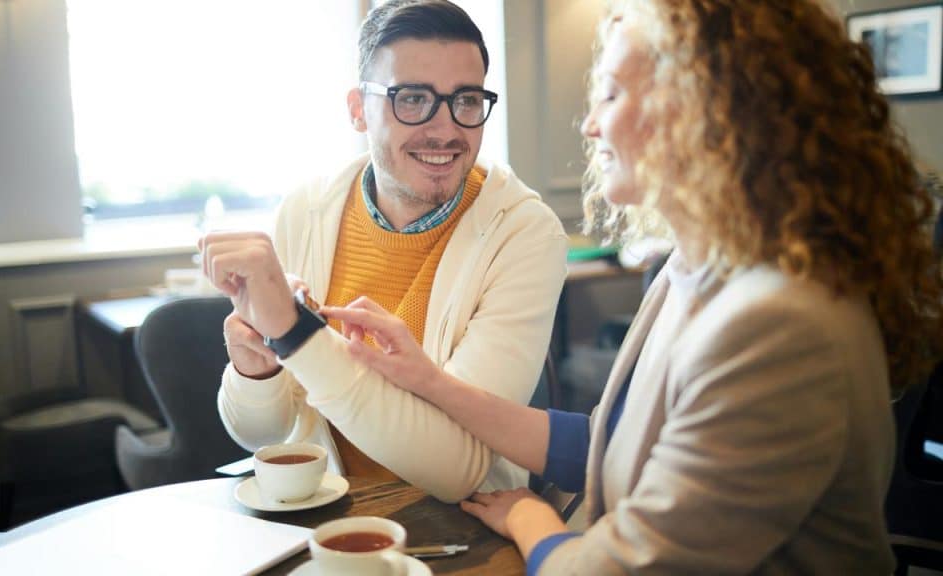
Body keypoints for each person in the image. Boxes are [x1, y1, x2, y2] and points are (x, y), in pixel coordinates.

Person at [322, 0, 943, 573]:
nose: (590, 125)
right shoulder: (691, 271)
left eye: (612, 94)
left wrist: (531, 517)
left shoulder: (780, 328)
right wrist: (431, 382)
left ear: (707, 109)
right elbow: (611, 443)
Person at [198, 0, 567, 503]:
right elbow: (260, 434)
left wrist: (296, 335)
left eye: (466, 100)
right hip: (318, 516)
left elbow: (457, 470)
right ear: (357, 110)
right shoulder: (304, 210)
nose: (445, 129)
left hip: (460, 530)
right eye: (412, 99)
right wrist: (255, 370)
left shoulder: (525, 235)